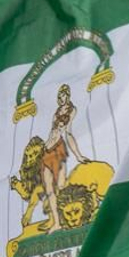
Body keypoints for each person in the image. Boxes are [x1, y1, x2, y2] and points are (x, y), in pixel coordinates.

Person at [38, 84, 86, 232]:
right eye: (58, 97)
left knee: (61, 187)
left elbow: (68, 133)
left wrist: (78, 155)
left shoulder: (72, 110)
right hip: (47, 151)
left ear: (68, 95)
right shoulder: (56, 112)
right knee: (49, 190)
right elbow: (51, 132)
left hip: (59, 150)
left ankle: (67, 219)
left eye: (62, 96)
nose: (60, 99)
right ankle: (56, 222)